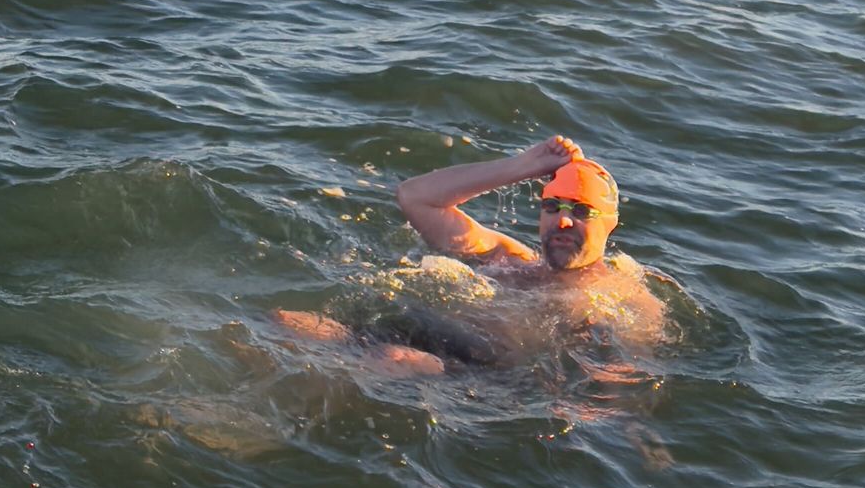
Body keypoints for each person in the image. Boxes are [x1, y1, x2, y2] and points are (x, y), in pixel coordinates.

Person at [274, 134, 665, 370]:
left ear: (610, 222)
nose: (562, 222)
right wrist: (526, 164)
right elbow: (415, 197)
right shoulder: (509, 256)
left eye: (580, 212)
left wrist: (636, 434)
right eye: (552, 207)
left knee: (391, 361)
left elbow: (622, 381)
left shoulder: (625, 295)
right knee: (284, 320)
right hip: (418, 331)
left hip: (478, 377)